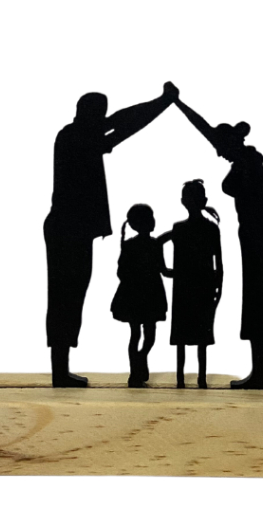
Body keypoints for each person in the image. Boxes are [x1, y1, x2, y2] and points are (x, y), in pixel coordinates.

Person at [44, 82, 179, 387]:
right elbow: (123, 125)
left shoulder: (80, 134)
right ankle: (59, 370)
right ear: (88, 113)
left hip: (72, 229)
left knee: (70, 297)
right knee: (65, 298)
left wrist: (161, 103)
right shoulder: (75, 136)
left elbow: (121, 122)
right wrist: (162, 103)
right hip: (67, 229)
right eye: (100, 114)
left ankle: (61, 369)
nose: (104, 119)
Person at [172, 100, 263, 389]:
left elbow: (229, 177)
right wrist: (178, 103)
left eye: (221, 149)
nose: (219, 154)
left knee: (260, 306)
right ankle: (258, 373)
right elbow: (207, 131)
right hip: (255, 236)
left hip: (260, 238)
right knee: (257, 304)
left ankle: (259, 375)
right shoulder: (245, 161)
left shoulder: (247, 165)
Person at [157, 180, 222, 389]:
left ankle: (191, 379)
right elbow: (219, 263)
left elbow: (219, 262)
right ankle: (188, 379)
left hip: (195, 286)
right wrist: (165, 270)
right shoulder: (193, 228)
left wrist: (166, 270)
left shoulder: (203, 229)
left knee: (194, 336)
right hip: (192, 286)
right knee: (189, 336)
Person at [111, 204, 171, 387]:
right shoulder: (134, 245)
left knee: (147, 336)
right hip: (140, 295)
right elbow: (121, 271)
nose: (153, 221)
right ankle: (134, 371)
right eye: (149, 218)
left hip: (145, 295)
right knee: (137, 334)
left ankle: (139, 359)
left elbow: (163, 269)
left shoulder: (152, 245)